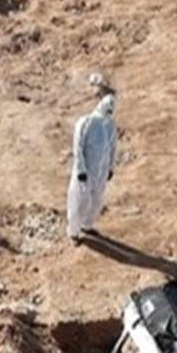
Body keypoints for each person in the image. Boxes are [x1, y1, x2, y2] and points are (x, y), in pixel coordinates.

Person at [66, 93, 118, 243]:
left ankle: (86, 225)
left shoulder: (110, 126)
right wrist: (81, 169)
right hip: (86, 170)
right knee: (79, 201)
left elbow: (113, 148)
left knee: (96, 200)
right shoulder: (86, 122)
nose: (109, 111)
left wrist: (110, 167)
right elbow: (78, 147)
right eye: (108, 107)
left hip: (101, 172)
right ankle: (73, 232)